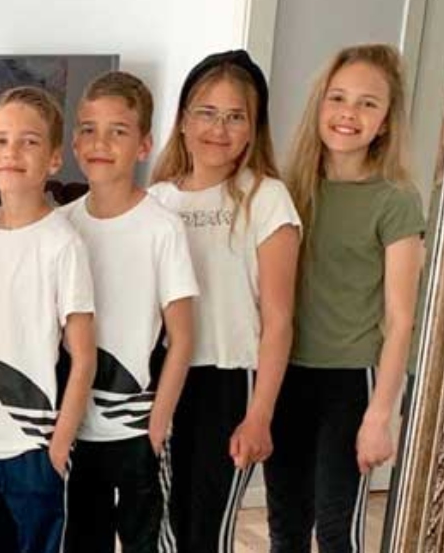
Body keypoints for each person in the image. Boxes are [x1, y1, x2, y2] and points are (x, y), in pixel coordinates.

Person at [267, 44, 424, 553]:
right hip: (285, 375)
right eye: (338, 98)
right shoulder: (285, 190)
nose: (348, 113)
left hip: (351, 382)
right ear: (320, 104)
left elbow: (401, 320)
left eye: (367, 103)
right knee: (285, 527)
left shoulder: (395, 201)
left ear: (385, 122)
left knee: (336, 531)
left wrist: (379, 416)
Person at [148, 50, 301, 553]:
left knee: (206, 529)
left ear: (254, 129)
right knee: (162, 523)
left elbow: (278, 319)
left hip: (230, 382)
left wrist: (260, 414)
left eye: (236, 116)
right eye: (207, 113)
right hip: (162, 378)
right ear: (183, 120)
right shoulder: (158, 199)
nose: (219, 128)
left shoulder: (267, 198)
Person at [0, 86, 97, 553]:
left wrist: (59, 446)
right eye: (0, 139)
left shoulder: (63, 244)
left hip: (34, 450)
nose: (11, 152)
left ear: (54, 159)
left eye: (29, 141)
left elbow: (84, 357)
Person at [60, 72, 197, 553]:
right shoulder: (63, 225)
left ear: (143, 146)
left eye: (117, 131)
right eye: (89, 129)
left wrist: (157, 425)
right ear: (74, 141)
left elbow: (182, 337)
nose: (100, 143)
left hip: (137, 432)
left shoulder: (162, 228)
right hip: (77, 433)